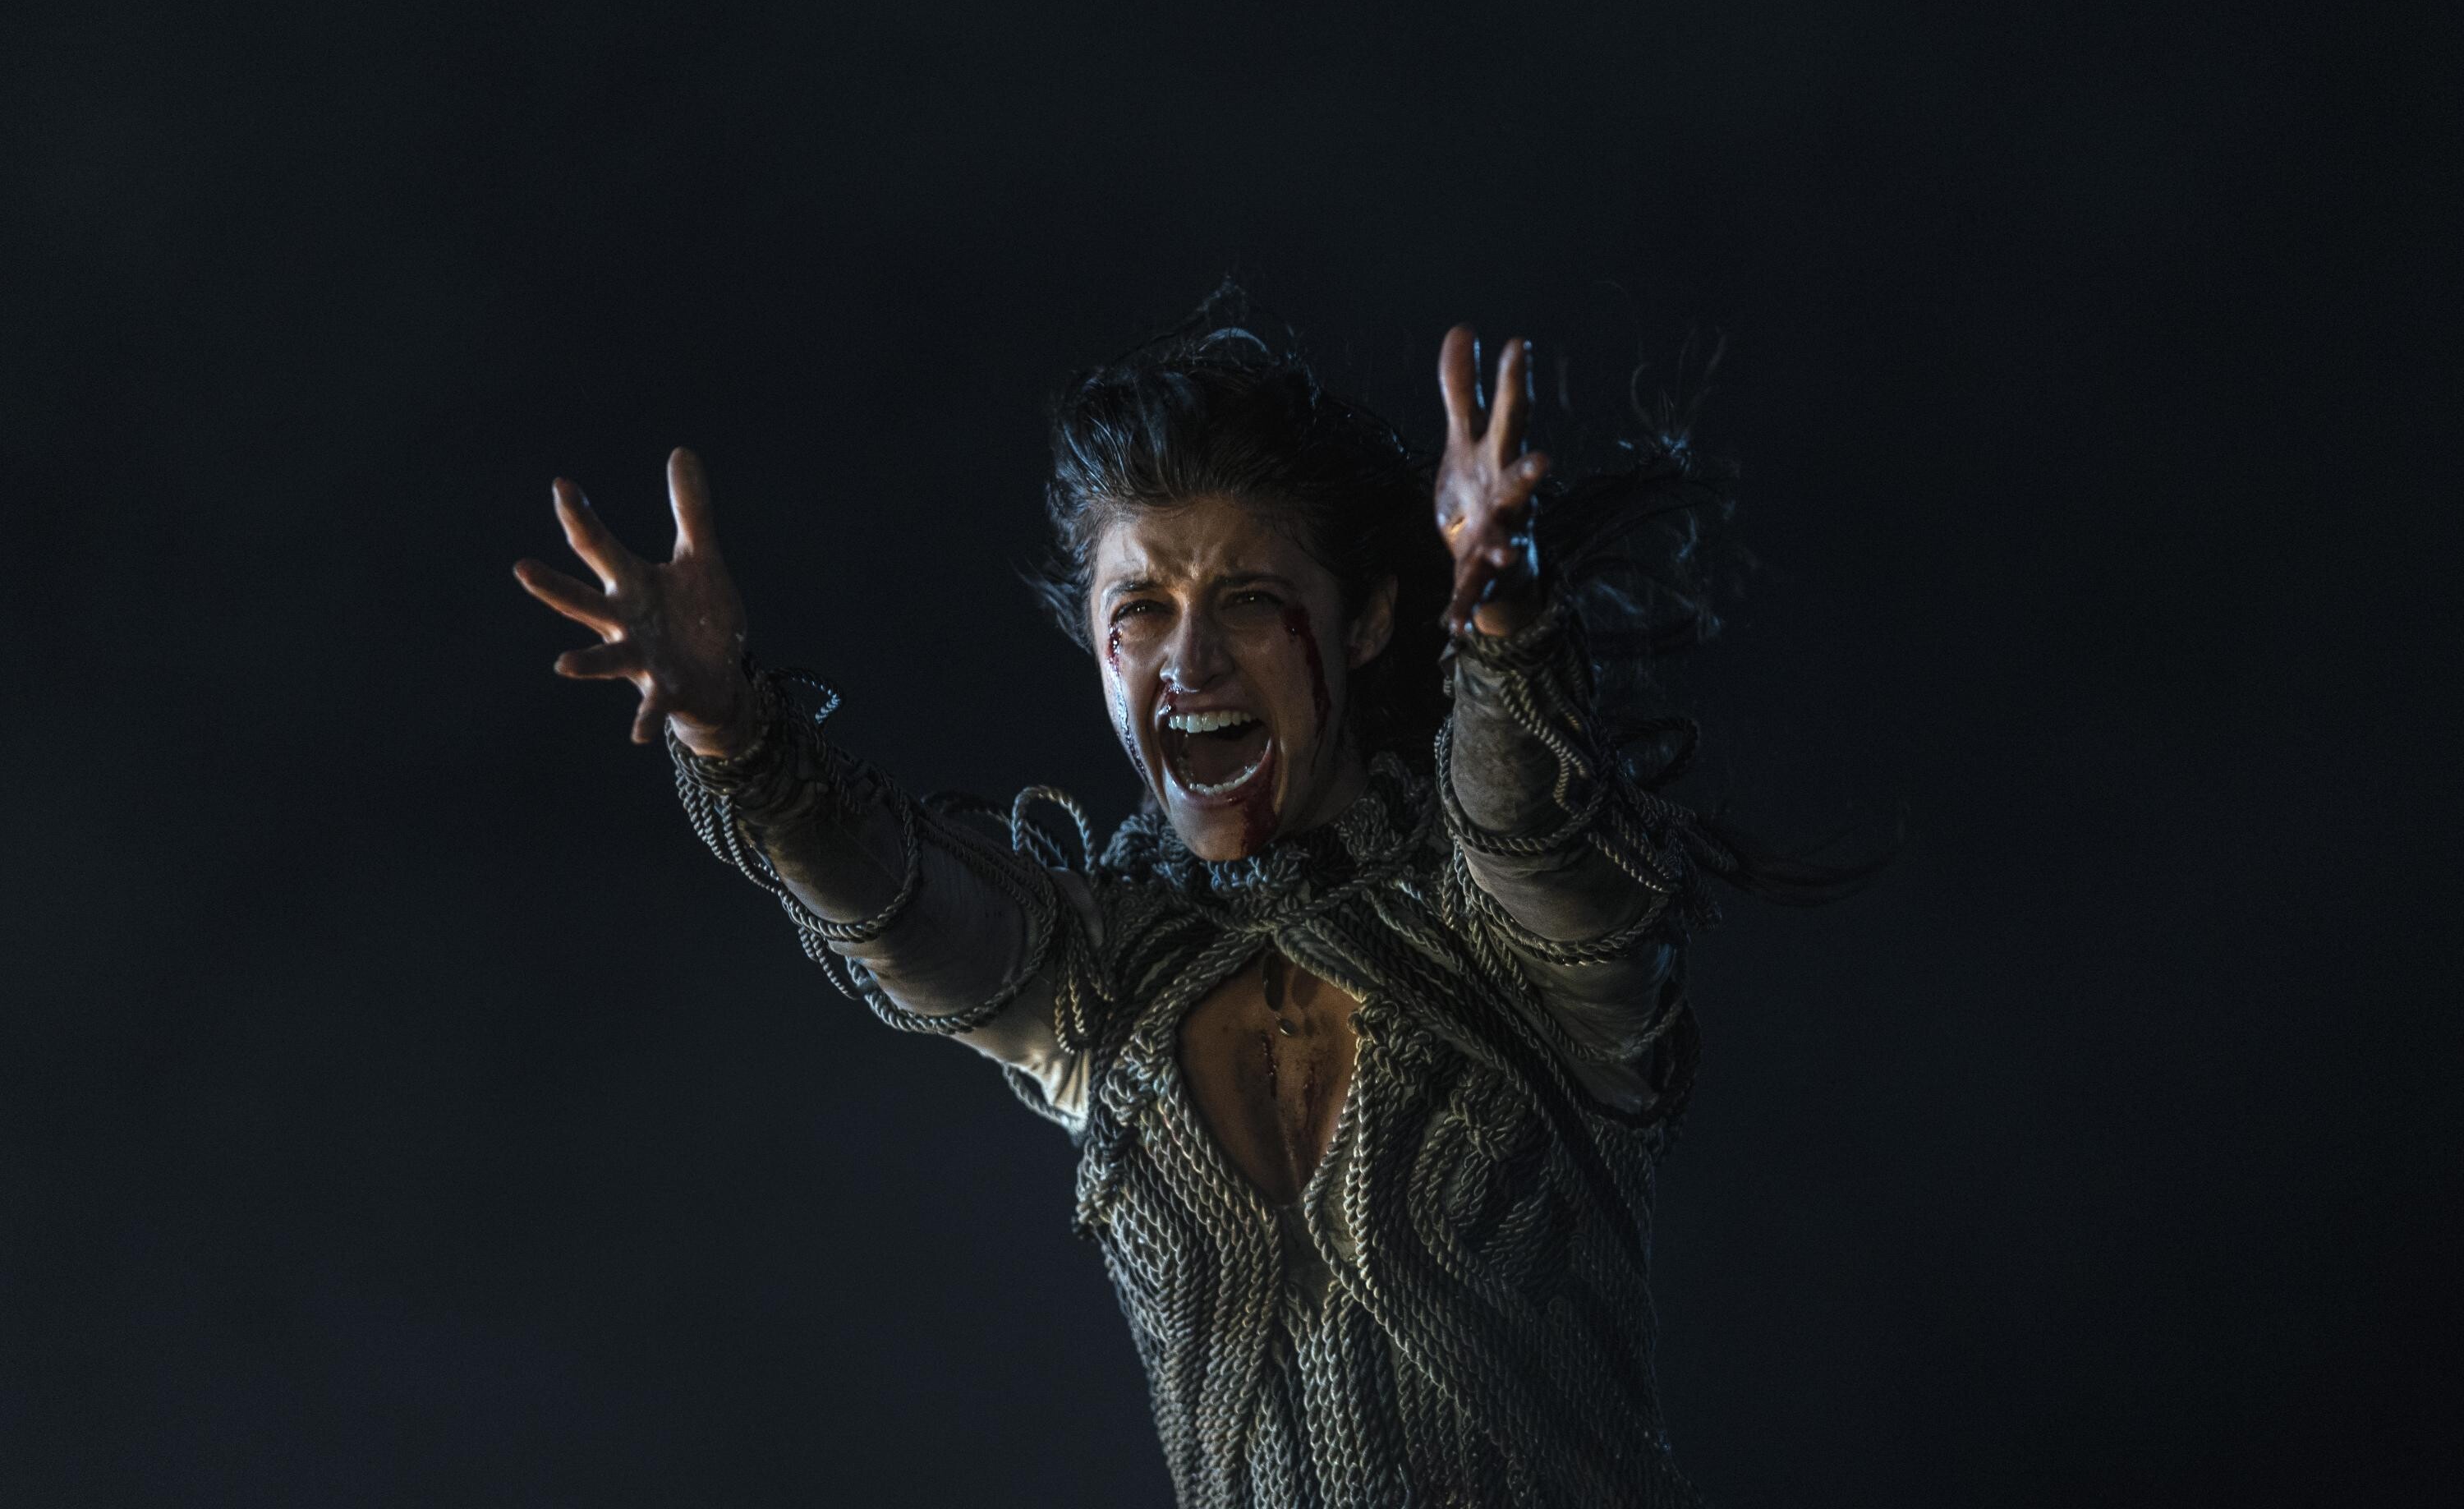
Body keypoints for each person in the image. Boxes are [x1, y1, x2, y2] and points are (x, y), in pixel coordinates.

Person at [514, 292, 1825, 1507]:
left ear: (1367, 622)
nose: (1190, 660)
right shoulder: (1105, 979)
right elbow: (907, 909)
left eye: (1249, 602)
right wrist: (736, 733)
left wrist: (1503, 622)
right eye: (1140, 608)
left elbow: (1534, 840)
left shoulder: (1506, 937)